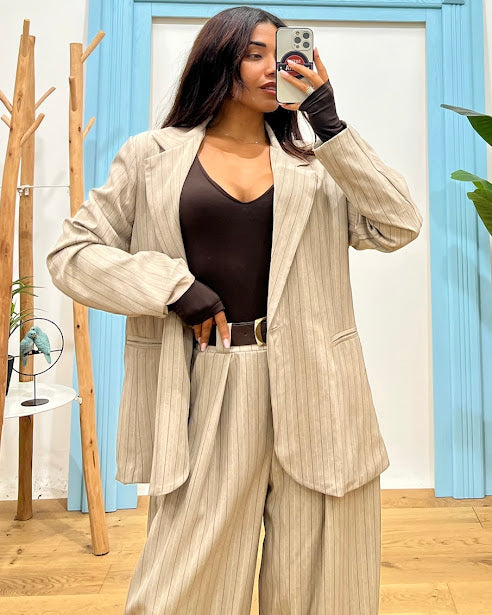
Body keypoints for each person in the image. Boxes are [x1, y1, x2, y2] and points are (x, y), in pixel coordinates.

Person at [47, 5, 422, 614]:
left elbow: (399, 224)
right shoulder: (151, 156)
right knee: (184, 588)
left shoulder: (320, 166)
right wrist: (171, 287)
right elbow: (71, 255)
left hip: (318, 386)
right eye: (255, 54)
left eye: (284, 53)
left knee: (325, 588)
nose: (276, 67)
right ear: (218, 62)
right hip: (207, 380)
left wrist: (329, 125)